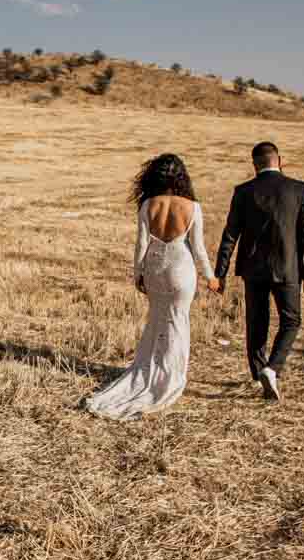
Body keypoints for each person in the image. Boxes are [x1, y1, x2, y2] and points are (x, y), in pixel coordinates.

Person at [85, 154, 219, 420]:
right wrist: (210, 277)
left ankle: (149, 369)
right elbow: (200, 250)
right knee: (177, 322)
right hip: (181, 268)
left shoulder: (148, 204)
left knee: (156, 320)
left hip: (156, 268)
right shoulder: (192, 206)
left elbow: (141, 245)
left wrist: (139, 274)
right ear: (181, 177)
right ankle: (170, 376)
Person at [211, 141, 304, 400]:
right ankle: (272, 368)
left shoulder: (243, 191)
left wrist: (220, 273)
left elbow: (230, 235)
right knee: (291, 321)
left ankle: (260, 374)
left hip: (253, 269)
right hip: (288, 268)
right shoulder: (298, 189)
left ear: (254, 164)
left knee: (256, 323)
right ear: (279, 160)